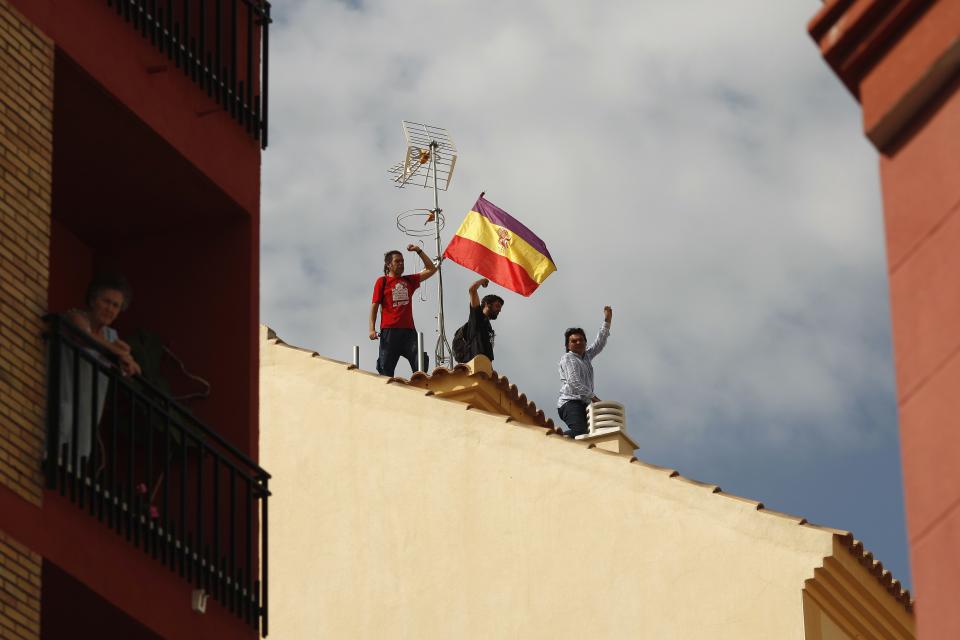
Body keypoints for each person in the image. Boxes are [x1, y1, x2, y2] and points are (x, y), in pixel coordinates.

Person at [58, 274, 141, 466]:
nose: (110, 309)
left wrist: (126, 360)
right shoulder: (76, 316)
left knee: (81, 436)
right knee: (62, 422)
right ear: (93, 300)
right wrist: (121, 354)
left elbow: (126, 370)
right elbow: (84, 337)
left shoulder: (112, 336)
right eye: (106, 301)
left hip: (88, 401)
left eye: (116, 306)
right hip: (65, 388)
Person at [369, 244, 437, 376]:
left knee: (421, 363)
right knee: (385, 369)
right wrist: (371, 328)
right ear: (389, 264)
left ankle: (420, 387)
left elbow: (431, 269)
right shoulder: (382, 281)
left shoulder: (409, 280)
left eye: (402, 261)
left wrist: (419, 251)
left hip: (408, 331)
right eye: (397, 261)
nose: (401, 264)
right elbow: (374, 305)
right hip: (389, 331)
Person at [557, 306, 613, 438]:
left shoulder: (586, 356)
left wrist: (607, 320)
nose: (578, 342)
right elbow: (574, 382)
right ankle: (553, 438)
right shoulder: (568, 358)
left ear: (585, 343)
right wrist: (594, 398)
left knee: (590, 435)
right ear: (567, 345)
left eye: (581, 340)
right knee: (580, 432)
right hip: (570, 402)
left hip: (585, 403)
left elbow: (600, 342)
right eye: (573, 341)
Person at [452, 278, 504, 364]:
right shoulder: (477, 316)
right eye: (497, 306)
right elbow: (472, 289)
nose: (499, 310)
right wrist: (483, 281)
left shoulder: (488, 327)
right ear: (487, 304)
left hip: (484, 367)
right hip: (473, 366)